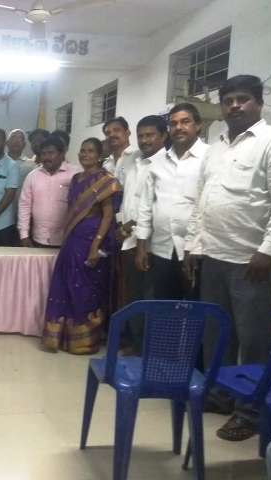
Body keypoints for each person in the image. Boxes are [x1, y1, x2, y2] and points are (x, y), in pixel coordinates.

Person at [184, 75, 271, 442]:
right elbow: (201, 200)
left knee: (252, 337)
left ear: (259, 103)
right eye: (228, 100)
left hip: (251, 260)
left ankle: (251, 411)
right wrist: (193, 245)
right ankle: (220, 396)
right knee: (216, 333)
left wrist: (268, 250)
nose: (234, 105)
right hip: (212, 256)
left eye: (243, 99)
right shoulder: (215, 148)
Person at [41, 137, 122, 354]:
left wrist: (96, 246)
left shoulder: (106, 180)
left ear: (100, 155)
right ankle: (64, 337)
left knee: (86, 291)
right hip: (73, 239)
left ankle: (84, 340)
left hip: (92, 240)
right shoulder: (76, 179)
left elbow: (108, 216)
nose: (85, 154)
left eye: (91, 151)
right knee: (67, 285)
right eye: (82, 150)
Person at [135, 103, 208, 301]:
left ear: (198, 125)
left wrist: (195, 245)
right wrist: (141, 246)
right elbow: (146, 207)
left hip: (197, 251)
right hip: (162, 250)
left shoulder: (210, 157)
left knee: (195, 305)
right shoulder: (158, 163)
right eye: (173, 123)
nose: (178, 127)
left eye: (185, 121)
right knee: (164, 304)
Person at [117, 115, 168, 354]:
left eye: (150, 135)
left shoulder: (165, 164)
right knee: (134, 296)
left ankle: (149, 349)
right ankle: (137, 346)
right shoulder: (135, 163)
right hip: (128, 240)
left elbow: (155, 206)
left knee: (150, 297)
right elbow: (127, 199)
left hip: (150, 244)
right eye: (141, 136)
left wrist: (129, 226)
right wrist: (121, 225)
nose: (145, 140)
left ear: (163, 136)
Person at [18, 136, 80, 248]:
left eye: (51, 153)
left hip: (67, 239)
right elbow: (24, 206)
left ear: (61, 154)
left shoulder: (75, 174)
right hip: (38, 238)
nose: (46, 157)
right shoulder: (33, 176)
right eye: (44, 153)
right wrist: (24, 235)